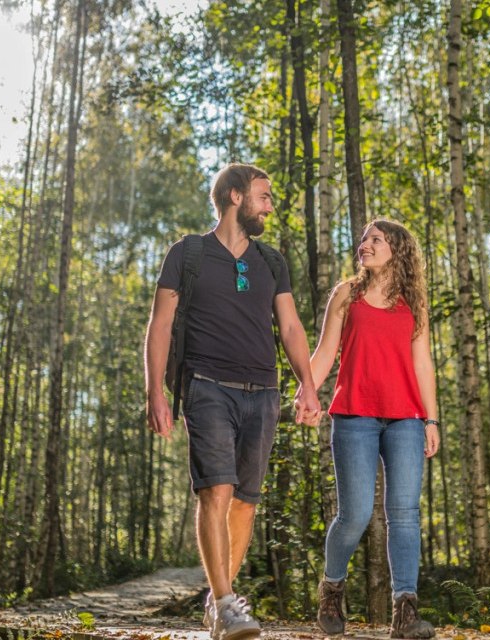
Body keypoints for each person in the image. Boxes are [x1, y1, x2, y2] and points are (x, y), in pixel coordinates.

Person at [144, 163, 322, 640]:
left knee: (245, 502)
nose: (270, 205)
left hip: (263, 393)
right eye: (264, 196)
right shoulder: (188, 253)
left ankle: (219, 597)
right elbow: (160, 325)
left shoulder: (272, 260)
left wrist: (308, 383)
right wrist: (156, 391)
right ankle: (225, 603)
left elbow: (289, 327)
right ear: (235, 197)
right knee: (215, 492)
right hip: (206, 386)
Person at [305, 219, 440, 639]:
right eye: (363, 239)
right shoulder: (347, 294)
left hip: (406, 419)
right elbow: (326, 350)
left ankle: (405, 611)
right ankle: (332, 588)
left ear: (396, 249)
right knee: (355, 515)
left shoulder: (412, 301)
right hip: (355, 415)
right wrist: (306, 392)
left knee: (404, 515)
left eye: (375, 240)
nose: (365, 245)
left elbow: (423, 363)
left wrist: (432, 418)